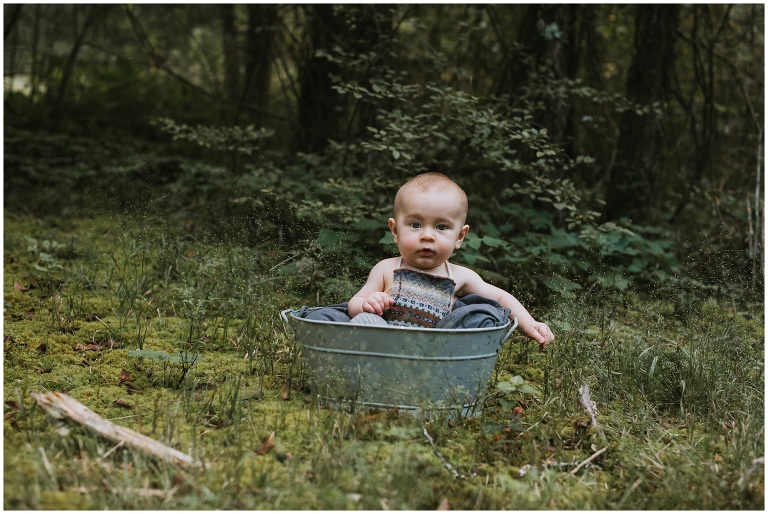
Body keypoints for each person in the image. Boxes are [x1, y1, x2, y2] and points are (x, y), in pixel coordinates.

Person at [347, 172, 554, 349]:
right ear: (395, 230)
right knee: (365, 321)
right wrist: (367, 304)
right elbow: (353, 304)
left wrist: (529, 323)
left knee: (469, 321)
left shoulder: (459, 276)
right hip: (383, 347)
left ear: (460, 237)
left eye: (441, 227)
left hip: (434, 352)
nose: (427, 236)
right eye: (415, 224)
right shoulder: (386, 268)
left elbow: (500, 298)